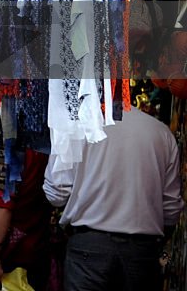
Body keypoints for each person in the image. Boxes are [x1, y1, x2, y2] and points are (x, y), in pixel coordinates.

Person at [44, 105, 184, 290]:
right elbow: (171, 209)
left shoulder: (75, 125)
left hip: (89, 250)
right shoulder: (160, 132)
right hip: (141, 252)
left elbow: (56, 193)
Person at [0, 148, 52, 289]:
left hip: (9, 254)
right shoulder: (40, 143)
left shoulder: (8, 144)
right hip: (33, 244)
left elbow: (3, 204)